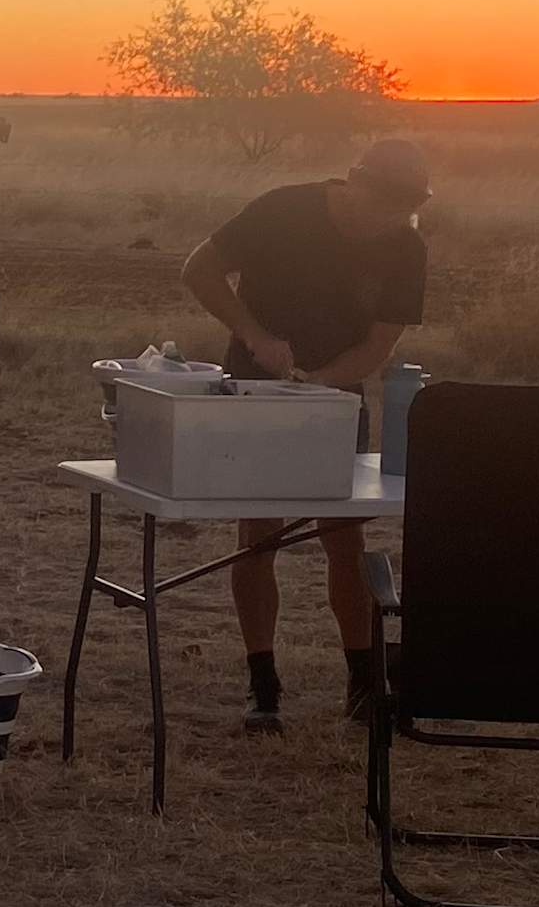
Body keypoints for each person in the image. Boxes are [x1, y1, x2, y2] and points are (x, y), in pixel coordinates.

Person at [179, 135, 432, 730]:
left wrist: (319, 384)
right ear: (354, 183)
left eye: (405, 210)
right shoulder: (283, 210)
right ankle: (263, 687)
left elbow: (378, 345)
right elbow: (199, 269)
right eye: (384, 207)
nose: (391, 221)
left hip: (335, 401)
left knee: (344, 539)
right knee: (259, 535)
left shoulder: (406, 248)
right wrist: (254, 336)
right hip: (254, 390)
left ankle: (364, 685)